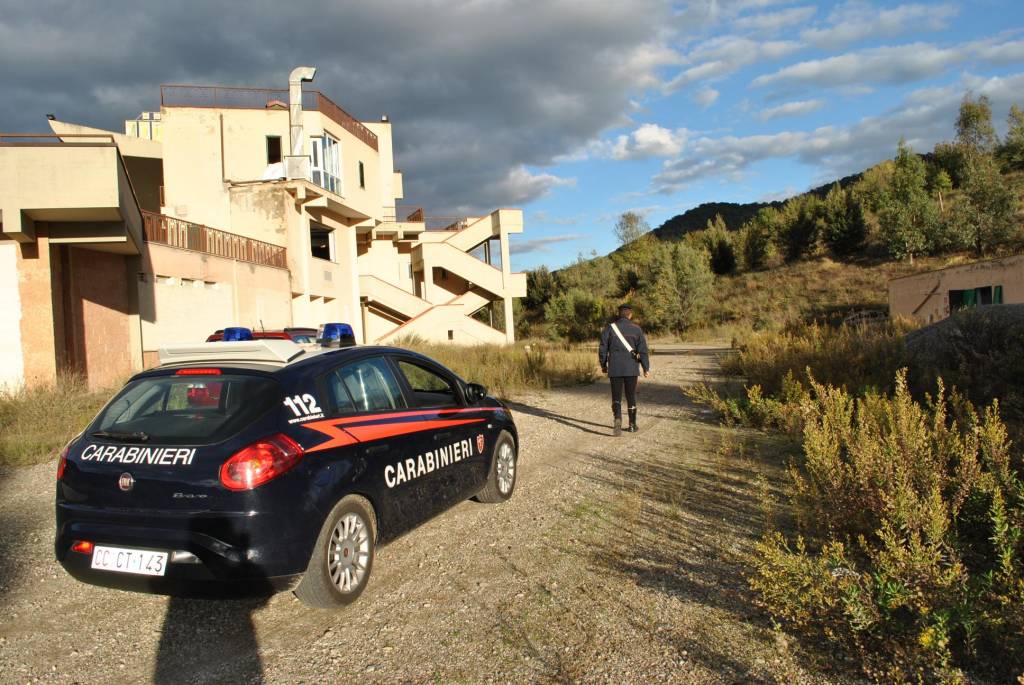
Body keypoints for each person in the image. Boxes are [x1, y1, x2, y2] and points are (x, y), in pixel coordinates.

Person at [598, 304, 650, 436]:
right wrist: (646, 368)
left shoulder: (609, 328)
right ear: (630, 315)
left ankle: (617, 420)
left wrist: (603, 364)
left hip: (615, 368)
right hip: (631, 368)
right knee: (630, 395)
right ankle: (632, 425)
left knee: (616, 396)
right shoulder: (637, 330)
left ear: (619, 314)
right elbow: (643, 350)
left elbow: (603, 348)